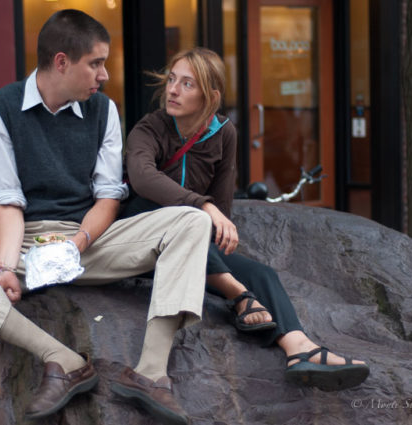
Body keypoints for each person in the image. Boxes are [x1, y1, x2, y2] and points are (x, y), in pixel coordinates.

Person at [0, 10, 209, 425]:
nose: (103, 75)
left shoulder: (104, 111)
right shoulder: (1, 109)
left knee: (192, 221)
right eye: (96, 63)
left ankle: (151, 373)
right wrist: (4, 268)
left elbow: (108, 198)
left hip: (88, 243)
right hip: (21, 242)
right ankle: (61, 358)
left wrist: (77, 244)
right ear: (62, 61)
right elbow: (8, 202)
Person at [122, 47, 370, 392]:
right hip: (139, 238)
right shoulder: (150, 128)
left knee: (261, 273)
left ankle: (299, 347)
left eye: (187, 84)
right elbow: (142, 179)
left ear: (211, 96)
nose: (173, 90)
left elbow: (221, 212)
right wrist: (203, 207)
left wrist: (214, 220)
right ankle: (237, 293)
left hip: (190, 248)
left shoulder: (223, 133)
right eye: (172, 80)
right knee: (169, 208)